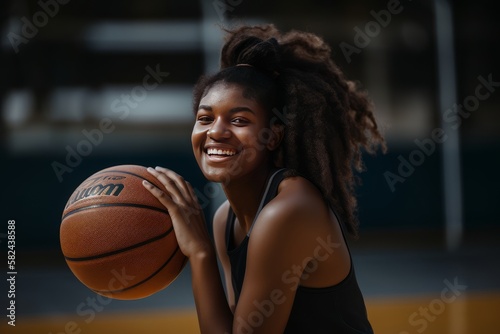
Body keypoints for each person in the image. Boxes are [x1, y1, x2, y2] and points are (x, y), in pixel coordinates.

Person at [142, 23, 385, 334]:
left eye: (239, 119)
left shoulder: (290, 209)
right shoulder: (224, 220)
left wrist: (200, 253)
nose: (215, 131)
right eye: (205, 118)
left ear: (273, 136)